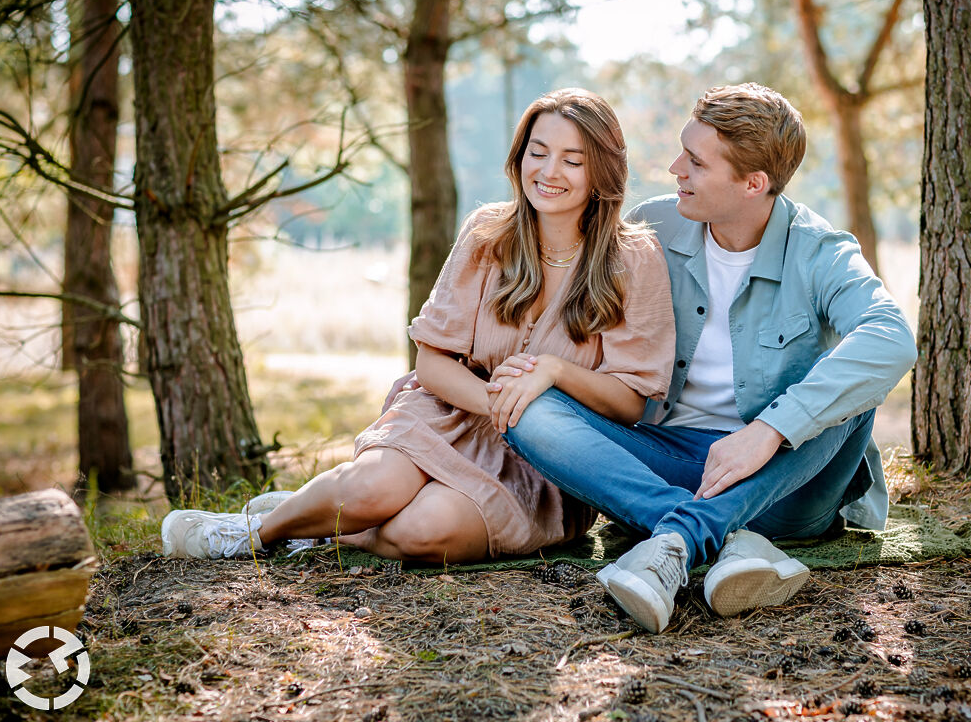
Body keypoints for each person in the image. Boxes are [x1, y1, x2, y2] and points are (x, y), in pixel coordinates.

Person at [161, 88, 676, 563]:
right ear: (519, 157)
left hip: (547, 460)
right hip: (450, 412)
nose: (549, 171)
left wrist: (555, 372)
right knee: (371, 490)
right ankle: (256, 534)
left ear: (602, 171)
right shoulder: (487, 234)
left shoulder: (632, 257)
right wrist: (497, 405)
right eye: (537, 152)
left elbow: (633, 401)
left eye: (573, 159)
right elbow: (431, 362)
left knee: (421, 532)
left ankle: (317, 519)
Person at [500, 83, 917, 633]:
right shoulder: (654, 225)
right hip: (665, 462)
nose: (675, 168)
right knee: (526, 406)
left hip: (783, 483)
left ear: (753, 184)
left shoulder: (820, 251)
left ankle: (674, 540)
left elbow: (892, 337)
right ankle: (715, 535)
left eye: (695, 162)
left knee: (855, 387)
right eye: (682, 151)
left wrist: (770, 429)